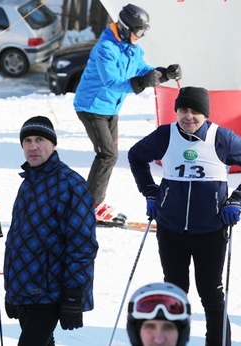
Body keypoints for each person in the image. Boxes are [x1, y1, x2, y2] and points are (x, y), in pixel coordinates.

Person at [128, 86, 241, 345]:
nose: (188, 116)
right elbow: (135, 156)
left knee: (211, 294)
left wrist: (235, 200)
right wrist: (150, 192)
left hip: (210, 230)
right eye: (183, 110)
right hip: (171, 229)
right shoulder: (165, 135)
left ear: (205, 114)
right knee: (175, 295)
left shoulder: (221, 137)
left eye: (195, 111)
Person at [73, 4, 181, 225]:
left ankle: (90, 203)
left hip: (110, 108)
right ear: (125, 28)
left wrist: (164, 74)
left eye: (144, 32)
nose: (140, 36)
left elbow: (143, 69)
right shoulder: (106, 48)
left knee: (108, 155)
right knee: (107, 155)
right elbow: (112, 82)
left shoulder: (130, 47)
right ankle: (91, 208)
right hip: (91, 108)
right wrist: (142, 82)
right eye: (139, 31)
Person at [3, 116, 98, 346]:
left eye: (40, 139)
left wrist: (74, 295)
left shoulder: (71, 185)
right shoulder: (28, 182)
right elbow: (18, 240)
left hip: (50, 293)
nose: (33, 147)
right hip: (25, 289)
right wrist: (12, 290)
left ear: (53, 144)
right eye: (27, 141)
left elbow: (82, 246)